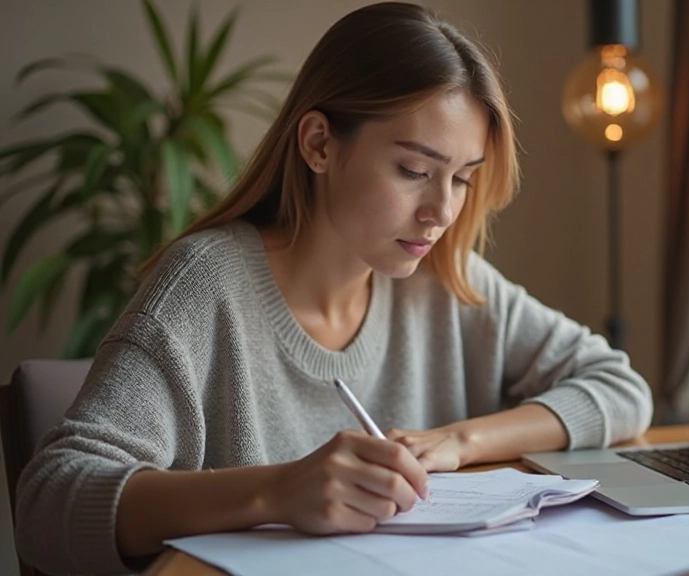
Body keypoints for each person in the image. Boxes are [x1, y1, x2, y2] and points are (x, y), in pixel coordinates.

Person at [14, 2, 653, 574]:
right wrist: (275, 492)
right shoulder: (207, 285)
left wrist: (461, 440)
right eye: (413, 170)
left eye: (461, 178)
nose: (440, 212)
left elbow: (621, 389)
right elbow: (48, 502)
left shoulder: (444, 281)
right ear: (319, 144)